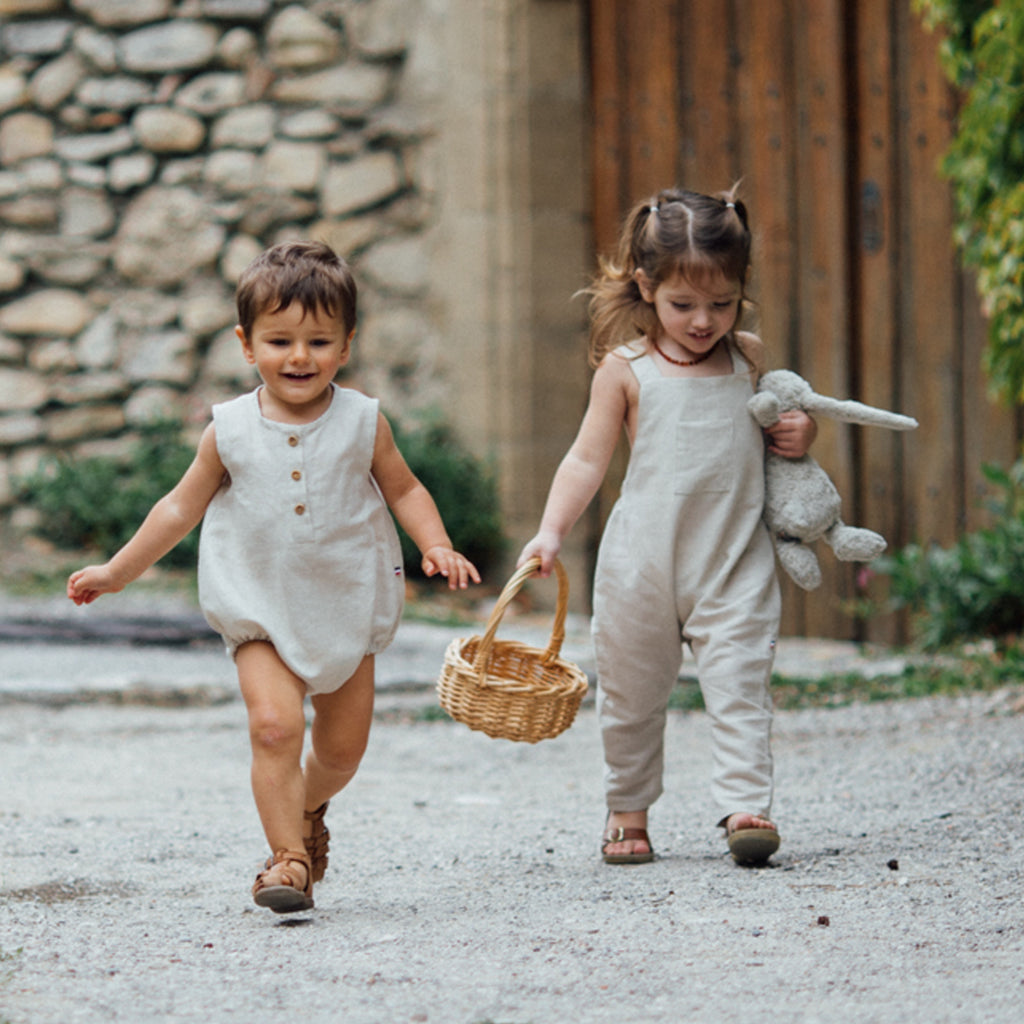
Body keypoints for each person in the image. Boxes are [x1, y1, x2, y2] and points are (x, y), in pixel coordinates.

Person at [68, 240, 481, 912]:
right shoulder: (228, 430)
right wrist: (117, 571)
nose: (299, 357)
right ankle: (287, 860)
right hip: (259, 607)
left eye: (318, 342)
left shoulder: (363, 420)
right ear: (246, 344)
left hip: (346, 606)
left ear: (346, 345)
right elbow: (178, 508)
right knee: (273, 728)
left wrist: (435, 544)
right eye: (279, 340)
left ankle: (309, 804)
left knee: (342, 752)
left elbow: (405, 489)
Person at [517, 187, 815, 867]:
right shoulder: (626, 371)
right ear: (647, 287)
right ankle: (627, 810)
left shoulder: (748, 357)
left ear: (741, 291)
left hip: (732, 561)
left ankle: (747, 807)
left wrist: (801, 432)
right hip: (641, 567)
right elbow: (586, 460)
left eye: (722, 303)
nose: (704, 321)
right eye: (684, 305)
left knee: (742, 682)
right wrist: (550, 532)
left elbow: (781, 422)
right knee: (630, 696)